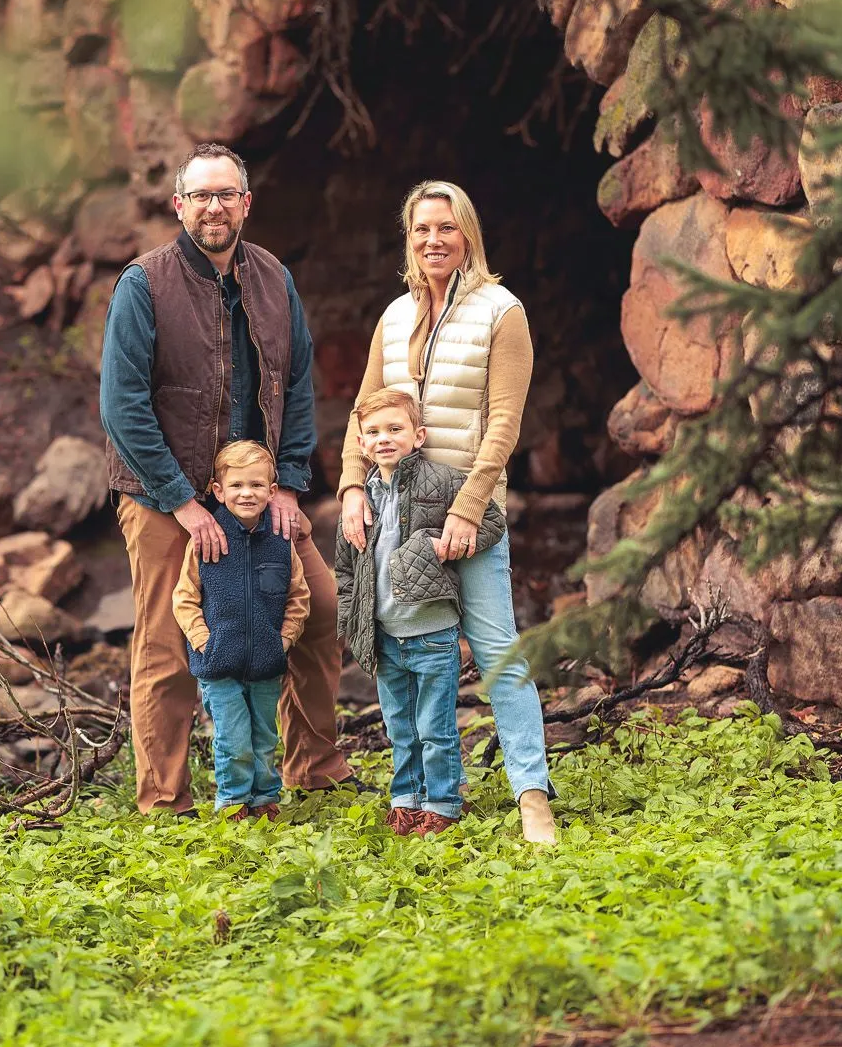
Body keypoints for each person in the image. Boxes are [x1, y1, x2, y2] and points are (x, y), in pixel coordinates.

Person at [100, 140, 352, 814]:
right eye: (200, 195)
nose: (214, 206)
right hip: (163, 496)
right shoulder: (143, 283)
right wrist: (182, 502)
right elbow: (120, 404)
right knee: (166, 646)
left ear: (246, 203)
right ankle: (165, 803)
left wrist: (290, 486)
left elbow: (297, 386)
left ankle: (313, 766)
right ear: (178, 204)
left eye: (226, 194)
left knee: (320, 612)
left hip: (256, 495)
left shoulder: (273, 277)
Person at [337, 181, 557, 845]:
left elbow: (504, 420)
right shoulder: (393, 316)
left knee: (494, 649)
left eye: (446, 228)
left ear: (467, 235)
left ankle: (531, 795)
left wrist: (467, 506)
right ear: (409, 240)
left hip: (468, 510)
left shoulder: (501, 311)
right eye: (421, 230)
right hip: (396, 512)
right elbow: (363, 409)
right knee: (400, 646)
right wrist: (351, 486)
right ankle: (422, 792)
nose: (433, 241)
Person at [335, 389, 504, 836]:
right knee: (399, 726)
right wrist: (353, 624)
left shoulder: (442, 480)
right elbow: (346, 572)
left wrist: (444, 544)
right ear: (360, 441)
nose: (384, 439)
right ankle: (406, 799)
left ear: (418, 435)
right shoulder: (361, 500)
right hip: (385, 635)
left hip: (432, 633)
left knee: (435, 727)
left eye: (395, 429)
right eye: (373, 432)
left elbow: (492, 520)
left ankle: (443, 803)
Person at [172, 441, 311, 819]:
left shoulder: (281, 541)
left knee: (265, 737)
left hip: (267, 662)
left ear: (271, 490)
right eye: (236, 486)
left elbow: (298, 595)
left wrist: (282, 641)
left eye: (255, 485)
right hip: (219, 664)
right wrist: (206, 642)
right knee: (234, 740)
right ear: (218, 490)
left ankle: (265, 798)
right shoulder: (206, 538)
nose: (246, 493)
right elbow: (184, 598)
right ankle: (232, 802)